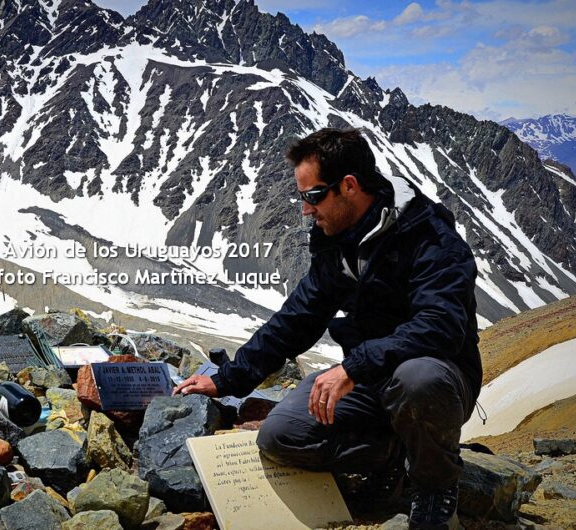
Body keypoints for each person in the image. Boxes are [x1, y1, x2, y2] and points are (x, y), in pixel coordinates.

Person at [174, 128, 481, 530]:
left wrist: (353, 368)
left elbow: (440, 327)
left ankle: (435, 485)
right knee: (279, 436)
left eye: (314, 196)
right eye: (302, 197)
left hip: (436, 376)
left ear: (349, 186)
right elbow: (299, 317)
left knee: (416, 379)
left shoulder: (429, 236)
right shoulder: (335, 242)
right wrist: (228, 378)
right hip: (370, 378)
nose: (306, 210)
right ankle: (395, 454)